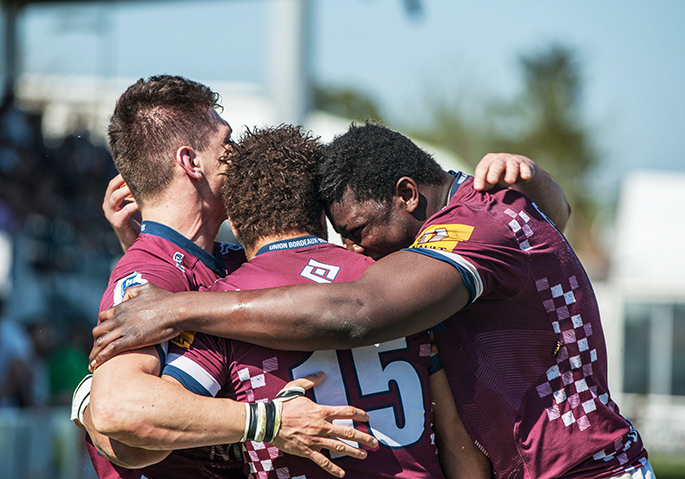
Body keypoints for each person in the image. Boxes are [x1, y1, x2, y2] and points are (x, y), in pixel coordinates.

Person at [94, 122, 655, 479]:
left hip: (584, 468)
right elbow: (548, 222)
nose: (355, 249)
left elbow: (357, 313)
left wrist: (178, 308)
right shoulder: (465, 228)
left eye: (359, 230)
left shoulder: (471, 226)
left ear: (407, 193)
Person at [76, 75, 375, 479]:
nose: (238, 153)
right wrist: (270, 421)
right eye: (227, 142)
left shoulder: (228, 260)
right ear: (191, 162)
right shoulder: (147, 272)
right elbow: (120, 412)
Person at [154, 124, 491, 478]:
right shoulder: (399, 284)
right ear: (321, 213)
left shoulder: (217, 308)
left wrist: (262, 422)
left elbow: (153, 418)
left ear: (235, 225)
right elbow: (455, 435)